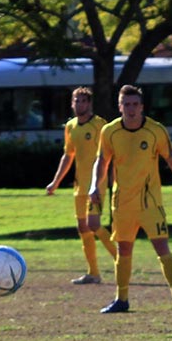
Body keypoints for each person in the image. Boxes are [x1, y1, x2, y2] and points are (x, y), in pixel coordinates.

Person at [89, 85, 172, 314]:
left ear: (142, 106)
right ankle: (122, 299)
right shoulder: (109, 132)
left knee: (162, 247)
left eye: (135, 104)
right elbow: (101, 161)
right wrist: (94, 186)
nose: (131, 109)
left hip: (150, 202)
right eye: (126, 104)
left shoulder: (155, 130)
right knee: (124, 250)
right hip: (122, 203)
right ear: (120, 107)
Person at [46, 87, 117, 284]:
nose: (80, 104)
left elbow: (110, 153)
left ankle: (121, 259)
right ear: (72, 103)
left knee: (93, 224)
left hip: (97, 184)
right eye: (76, 101)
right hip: (79, 186)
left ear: (89, 104)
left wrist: (112, 177)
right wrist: (55, 182)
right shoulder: (70, 126)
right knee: (83, 228)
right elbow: (68, 155)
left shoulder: (99, 125)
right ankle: (93, 273)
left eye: (83, 101)